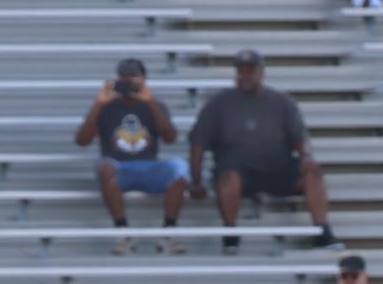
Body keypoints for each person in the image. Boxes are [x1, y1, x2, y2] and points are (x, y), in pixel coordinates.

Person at [189, 49, 341, 254]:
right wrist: (196, 181)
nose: (245, 75)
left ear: (261, 72)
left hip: (277, 166)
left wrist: (306, 156)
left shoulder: (281, 102)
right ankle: (230, 232)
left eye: (250, 70)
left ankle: (322, 229)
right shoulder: (218, 104)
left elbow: (300, 138)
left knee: (312, 170)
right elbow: (198, 142)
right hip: (238, 169)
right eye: (241, 70)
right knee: (228, 175)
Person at [75, 58, 189, 257]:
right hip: (118, 168)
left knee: (179, 167)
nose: (128, 82)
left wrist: (150, 102)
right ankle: (123, 232)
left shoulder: (155, 105)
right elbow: (82, 140)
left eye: (133, 77)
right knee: (104, 167)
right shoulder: (107, 107)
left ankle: (169, 232)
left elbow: (170, 137)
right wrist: (99, 103)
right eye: (123, 77)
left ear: (144, 80)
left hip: (149, 166)